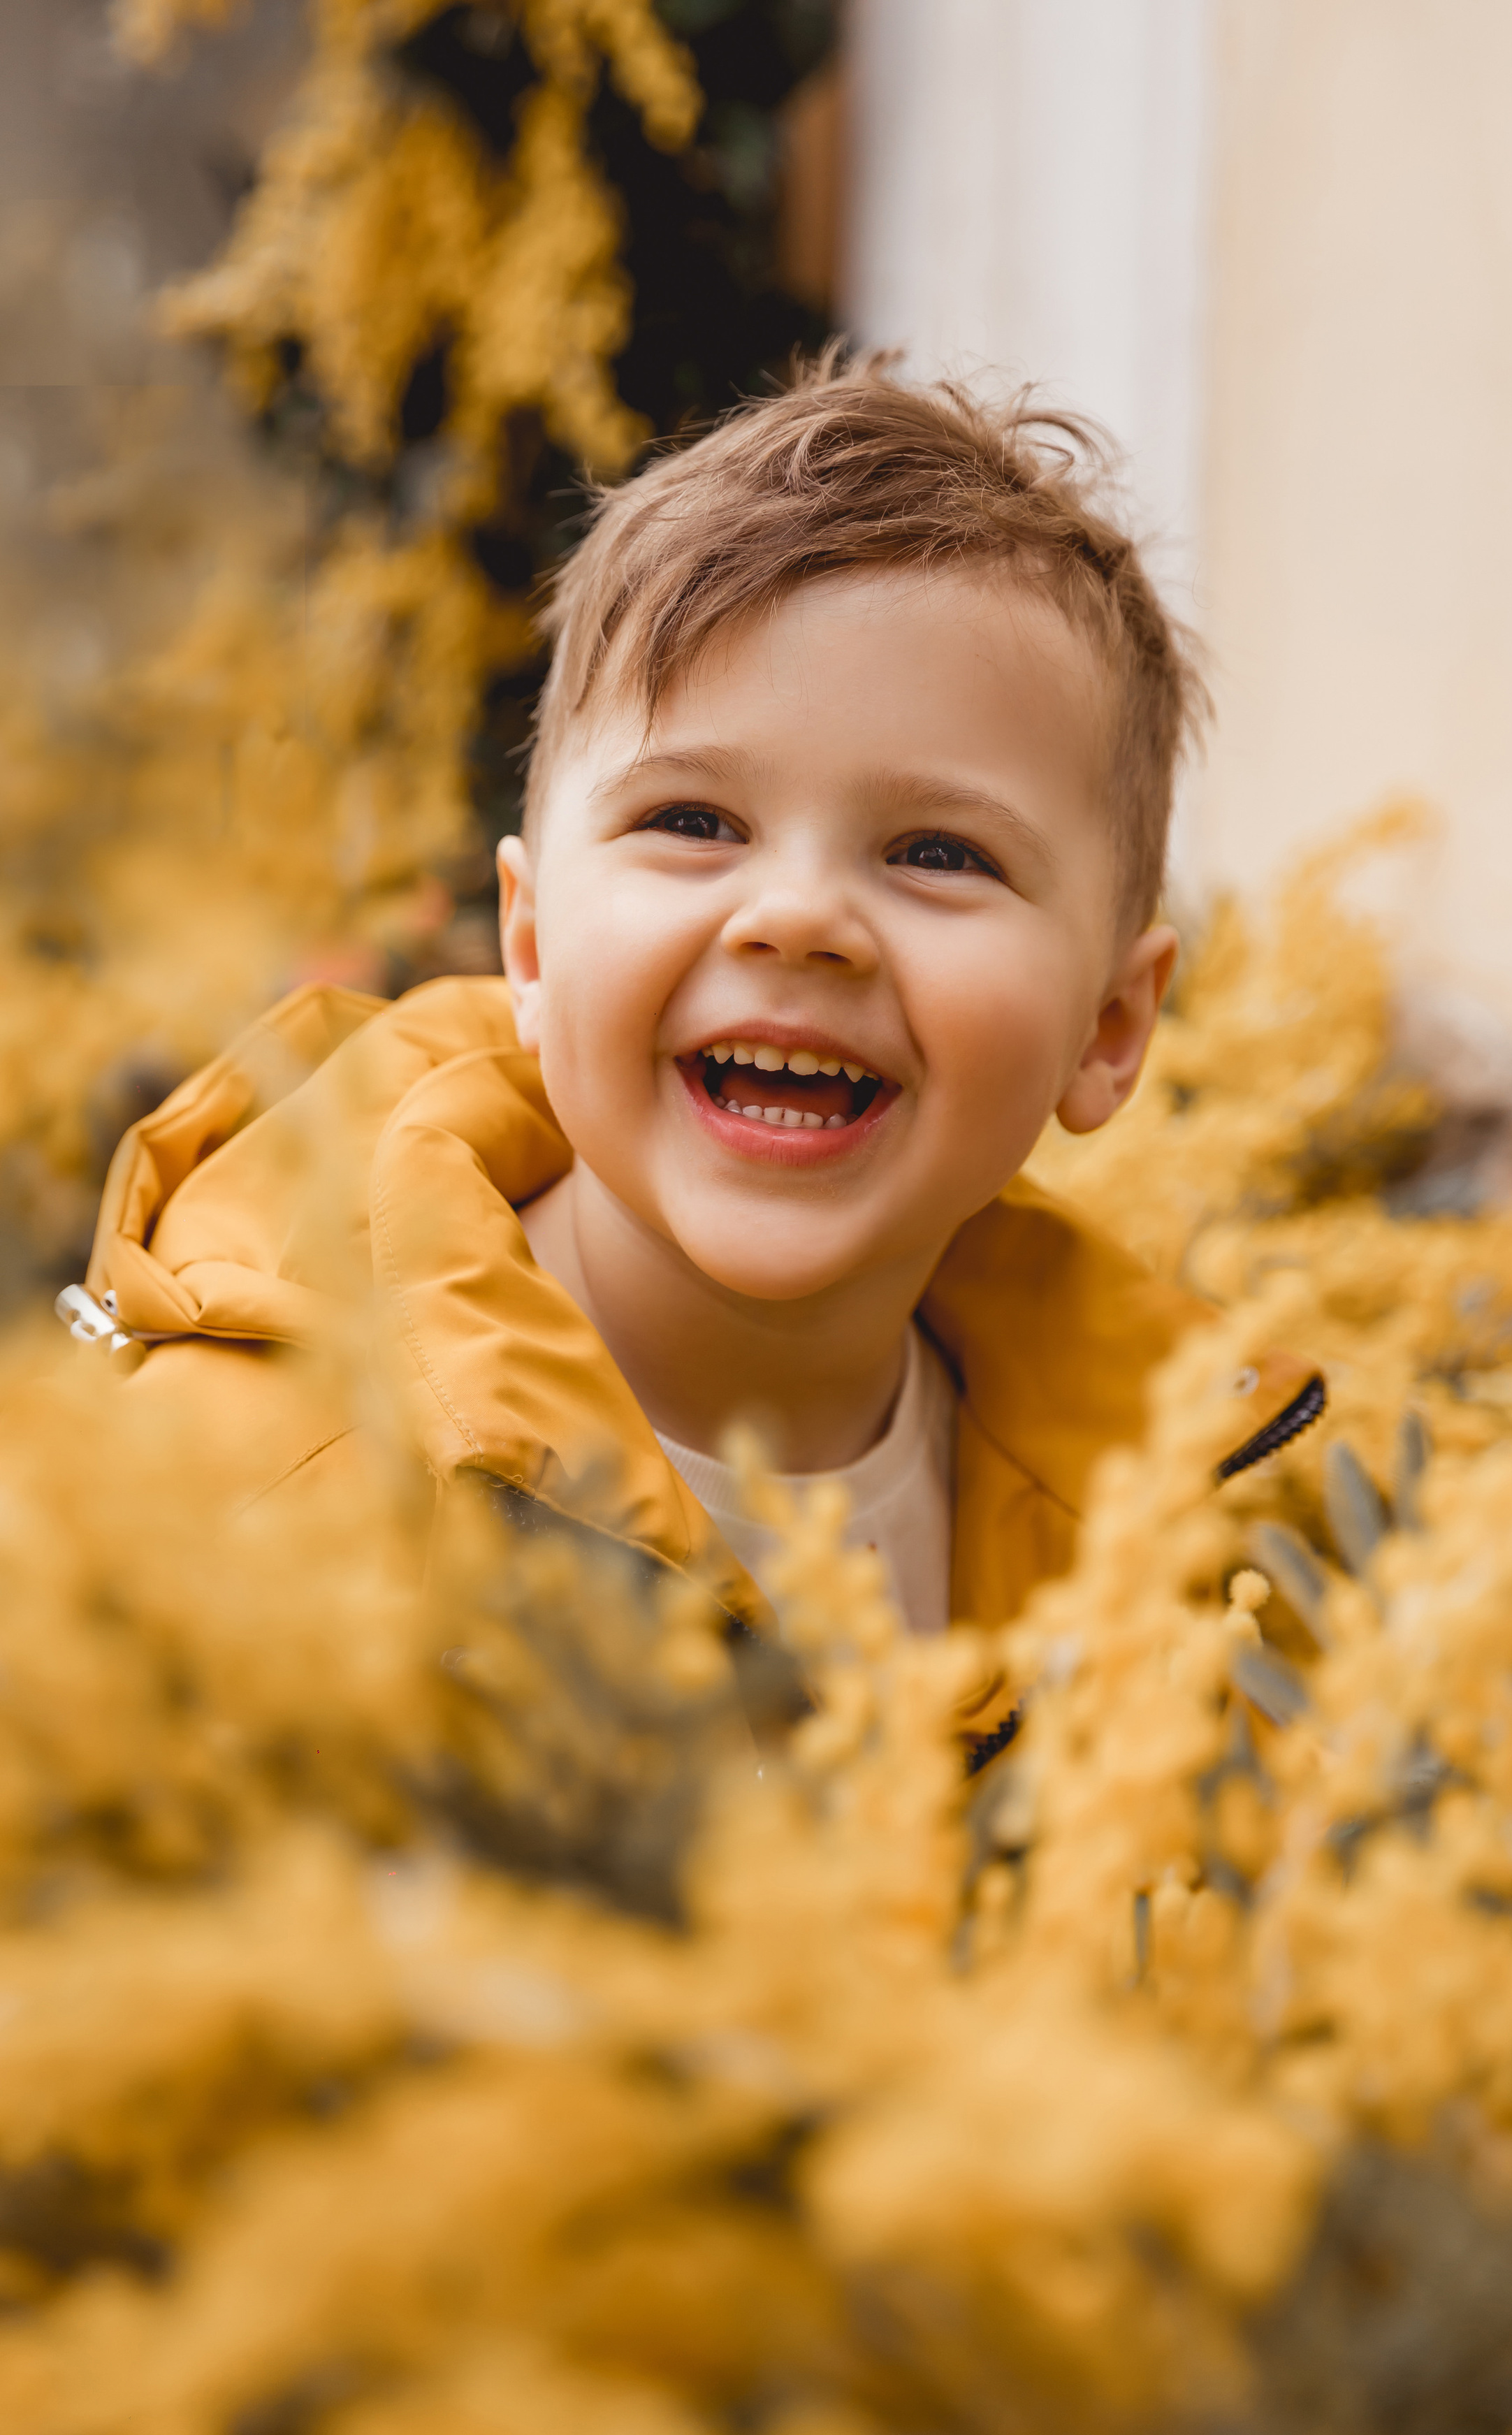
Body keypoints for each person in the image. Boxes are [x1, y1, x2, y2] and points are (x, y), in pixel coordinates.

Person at [69, 358, 1322, 1765]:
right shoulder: (252, 1491)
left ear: (1106, 1031)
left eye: (936, 853)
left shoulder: (1203, 1553)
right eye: (692, 822)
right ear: (529, 952)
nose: (796, 918)